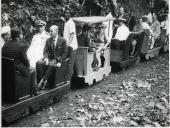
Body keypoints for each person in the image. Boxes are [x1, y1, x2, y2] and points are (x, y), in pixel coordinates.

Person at [37, 25, 68, 89]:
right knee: (39, 63)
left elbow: (65, 53)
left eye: (51, 31)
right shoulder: (48, 40)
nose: (50, 33)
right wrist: (45, 59)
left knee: (51, 64)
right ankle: (40, 80)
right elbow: (45, 51)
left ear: (56, 31)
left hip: (57, 59)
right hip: (49, 58)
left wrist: (61, 62)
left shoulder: (63, 40)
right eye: (49, 31)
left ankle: (43, 82)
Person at [63, 10, 78, 82]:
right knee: (68, 62)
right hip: (67, 45)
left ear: (70, 14)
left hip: (72, 46)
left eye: (67, 13)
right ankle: (74, 76)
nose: (66, 14)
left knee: (70, 63)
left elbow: (72, 35)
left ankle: (68, 80)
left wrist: (68, 45)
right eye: (65, 13)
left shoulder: (71, 23)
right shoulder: (66, 22)